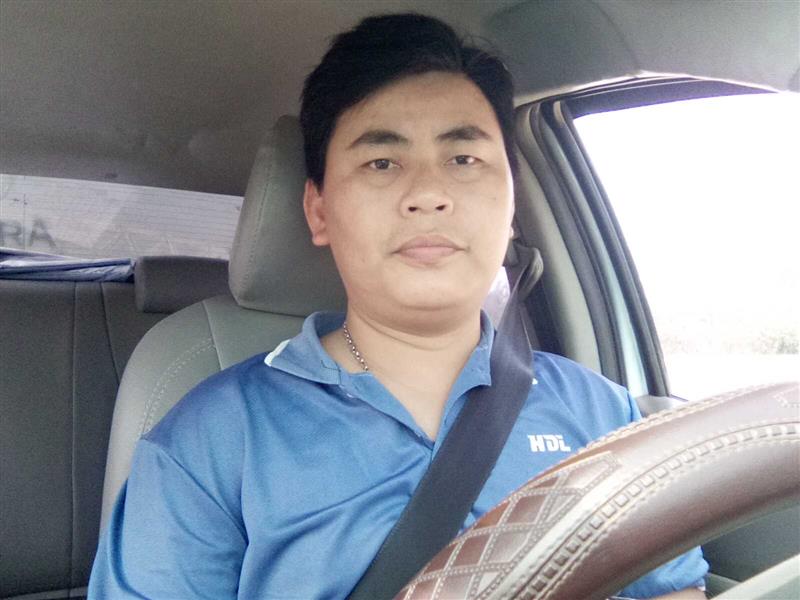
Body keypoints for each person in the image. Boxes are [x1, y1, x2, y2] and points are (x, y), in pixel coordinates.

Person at [88, 13, 707, 599]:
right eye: (382, 162)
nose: (429, 193)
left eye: (463, 159)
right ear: (318, 210)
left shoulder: (603, 413)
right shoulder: (212, 440)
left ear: (512, 203)